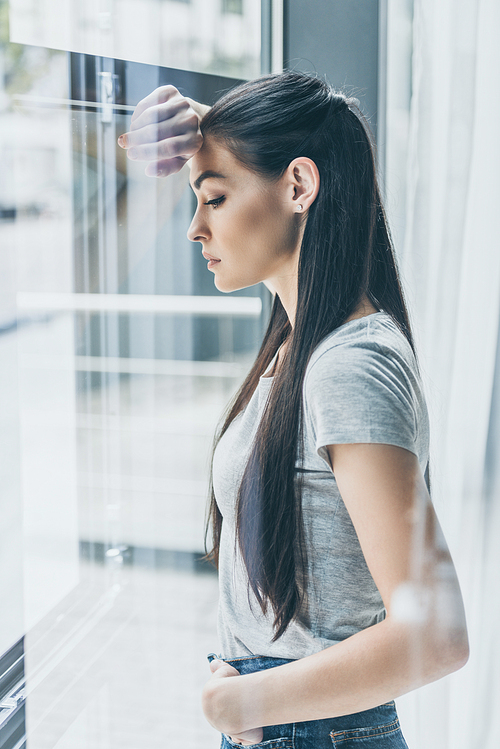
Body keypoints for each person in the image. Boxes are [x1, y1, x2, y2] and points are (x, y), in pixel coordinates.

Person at [118, 72, 469, 748]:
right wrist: (212, 129)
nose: (196, 228)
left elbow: (438, 632)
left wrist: (239, 701)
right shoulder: (304, 345)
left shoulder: (347, 364)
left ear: (299, 186)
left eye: (214, 198)